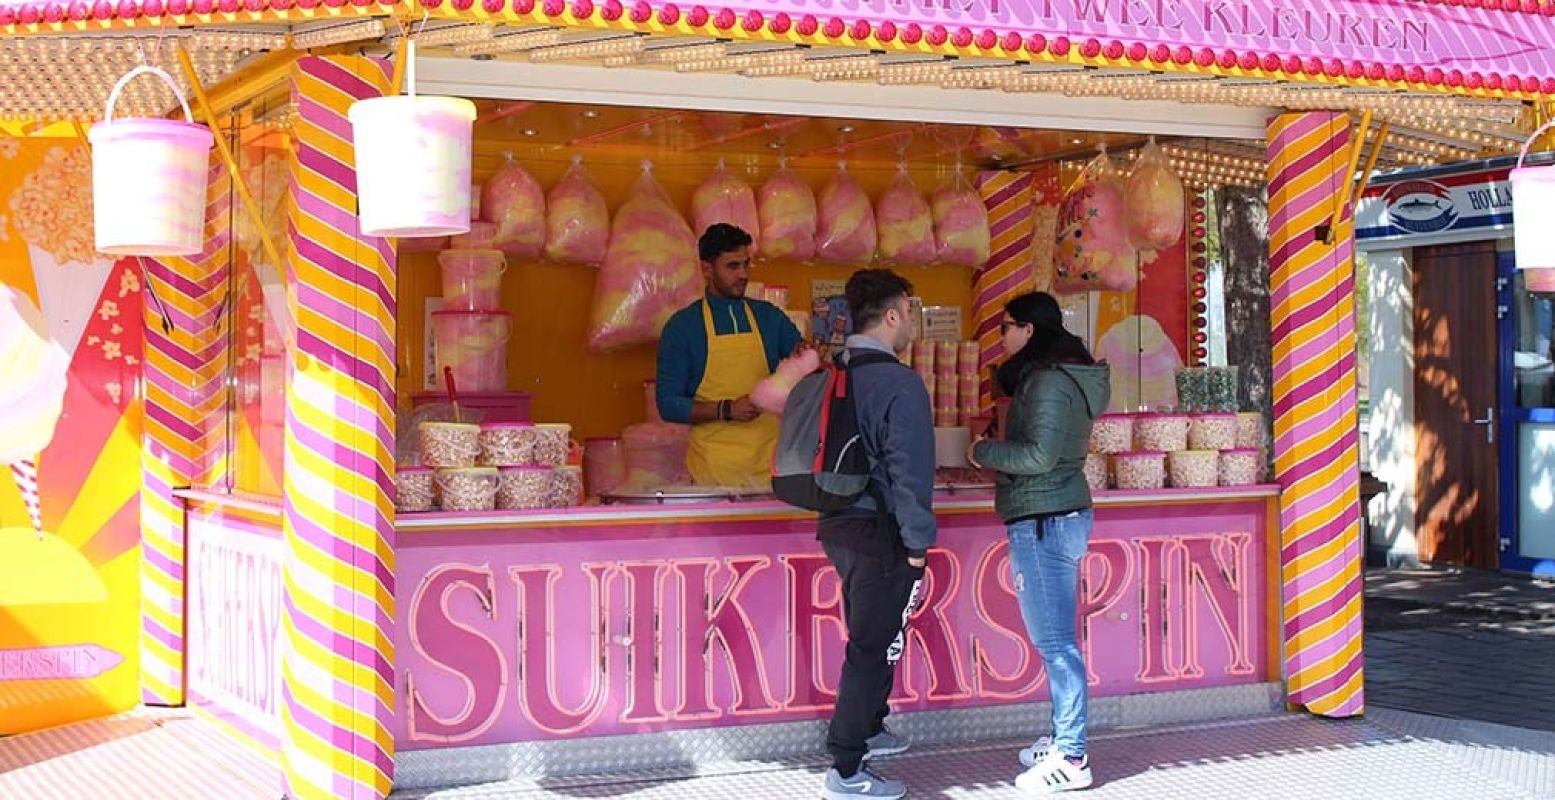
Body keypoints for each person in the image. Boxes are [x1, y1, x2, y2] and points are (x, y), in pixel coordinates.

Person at [968, 291, 1110, 794]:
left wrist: (983, 449)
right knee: (1055, 640)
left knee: (1055, 644)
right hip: (1049, 513)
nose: (1001, 336)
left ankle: (1072, 756)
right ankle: (1061, 736)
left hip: (1045, 517)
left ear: (1029, 330)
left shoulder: (1050, 381)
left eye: (1007, 326)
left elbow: (1040, 456)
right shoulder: (1055, 376)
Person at [818, 269, 936, 800]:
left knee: (872, 636)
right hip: (880, 529)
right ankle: (846, 768)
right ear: (892, 315)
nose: (911, 321)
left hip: (837, 523)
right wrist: (917, 545)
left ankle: (869, 728)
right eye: (909, 311)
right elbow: (911, 472)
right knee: (873, 645)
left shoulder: (832, 372)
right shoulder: (899, 383)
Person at [656, 223, 803, 487]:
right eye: (732, 266)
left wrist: (808, 356)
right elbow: (668, 404)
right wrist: (727, 409)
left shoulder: (769, 317)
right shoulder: (683, 327)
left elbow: (803, 370)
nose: (743, 274)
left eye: (746, 264)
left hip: (772, 471)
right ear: (707, 269)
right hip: (712, 475)